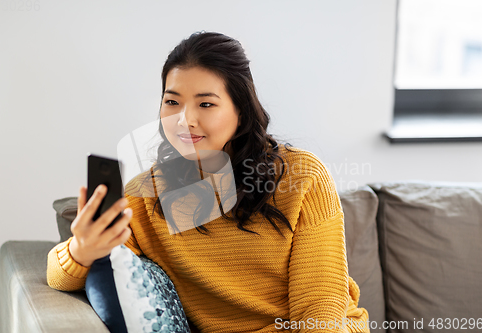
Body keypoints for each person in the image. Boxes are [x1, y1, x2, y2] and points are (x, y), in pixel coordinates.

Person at [47, 31, 369, 333]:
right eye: (172, 102)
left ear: (241, 110)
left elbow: (320, 313)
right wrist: (82, 249)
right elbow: (57, 275)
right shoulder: (146, 197)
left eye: (206, 104)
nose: (185, 119)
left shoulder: (302, 176)